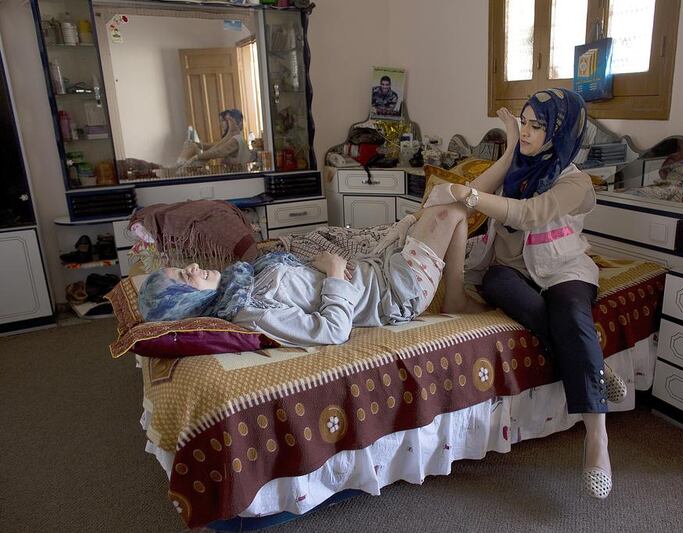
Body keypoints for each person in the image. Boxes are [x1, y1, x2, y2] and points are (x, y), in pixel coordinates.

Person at [423, 88, 622, 500]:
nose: (528, 131)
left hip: (563, 267)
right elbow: (475, 194)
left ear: (560, 132)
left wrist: (472, 196)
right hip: (514, 269)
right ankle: (596, 368)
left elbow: (527, 214)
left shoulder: (575, 182)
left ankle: (597, 439)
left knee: (570, 314)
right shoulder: (520, 166)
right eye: (524, 123)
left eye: (536, 126)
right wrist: (511, 145)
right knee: (497, 284)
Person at [138, 202, 487, 347]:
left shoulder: (238, 282)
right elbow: (332, 332)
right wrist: (334, 274)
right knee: (451, 211)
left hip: (378, 268)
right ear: (188, 301)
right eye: (187, 277)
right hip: (394, 294)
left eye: (185, 267)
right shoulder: (250, 311)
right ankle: (455, 296)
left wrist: (321, 261)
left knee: (444, 205)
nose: (195, 267)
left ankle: (456, 293)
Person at [180, 109, 253, 167]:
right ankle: (181, 163)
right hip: (233, 173)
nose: (222, 124)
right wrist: (199, 145)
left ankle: (180, 164)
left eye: (225, 120)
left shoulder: (236, 139)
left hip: (238, 176)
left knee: (193, 159)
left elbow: (219, 151)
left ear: (239, 122)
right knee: (192, 148)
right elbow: (216, 146)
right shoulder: (233, 137)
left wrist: (197, 157)